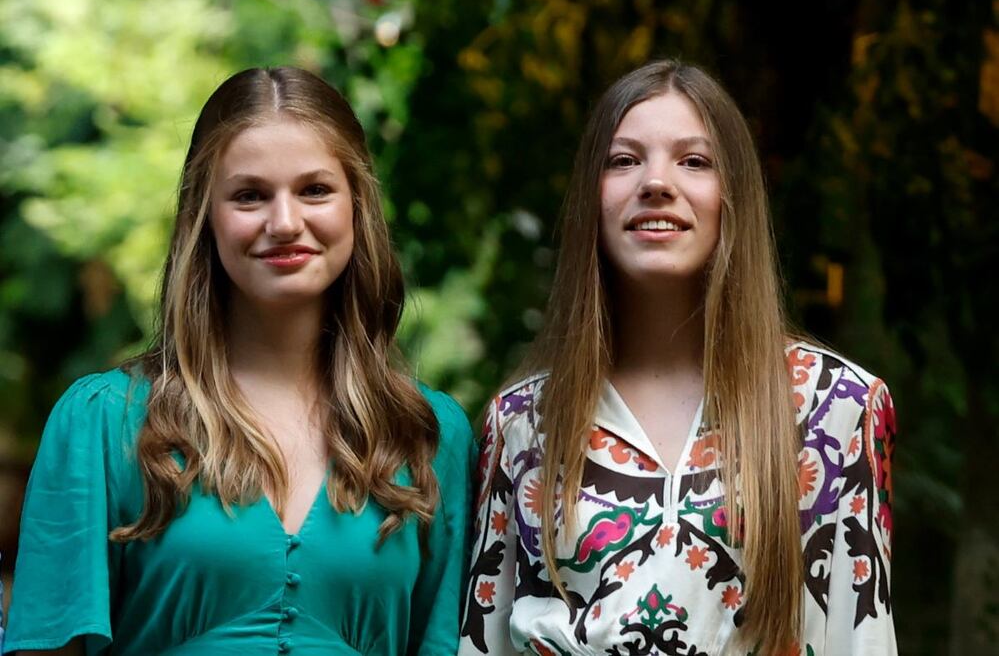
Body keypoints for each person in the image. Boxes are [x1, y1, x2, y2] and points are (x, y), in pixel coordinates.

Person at [3, 66, 474, 656]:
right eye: (250, 195)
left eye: (315, 190)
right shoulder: (104, 422)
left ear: (357, 206)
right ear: (204, 215)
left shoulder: (428, 435)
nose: (285, 223)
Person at [458, 60, 896, 655]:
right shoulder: (522, 421)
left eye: (694, 161)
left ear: (734, 196)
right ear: (591, 197)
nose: (656, 182)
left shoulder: (837, 408)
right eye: (623, 160)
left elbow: (864, 640)